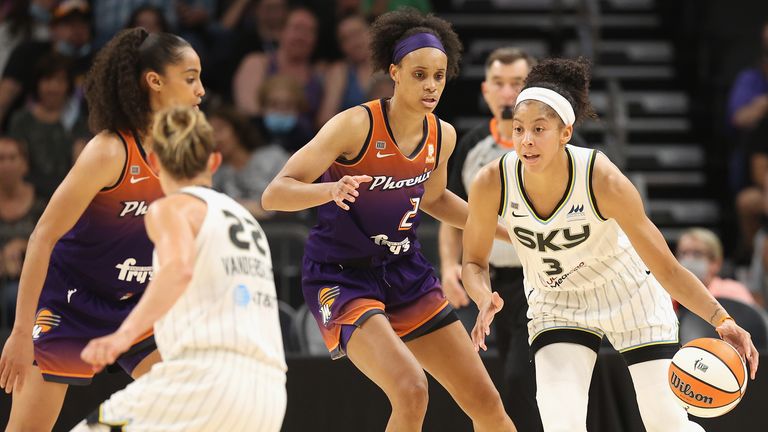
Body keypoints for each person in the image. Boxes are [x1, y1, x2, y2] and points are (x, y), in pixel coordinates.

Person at [462, 57, 759, 432]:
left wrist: (722, 318)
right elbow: (472, 262)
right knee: (561, 421)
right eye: (519, 129)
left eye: (539, 129)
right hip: (558, 303)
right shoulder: (493, 181)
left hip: (629, 295)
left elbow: (667, 267)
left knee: (664, 421)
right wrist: (482, 296)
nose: (526, 140)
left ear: (565, 132)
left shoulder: (602, 179)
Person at [262, 9, 515, 431]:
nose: (431, 85)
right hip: (340, 277)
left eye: (438, 75)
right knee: (411, 389)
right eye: (419, 74)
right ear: (395, 72)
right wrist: (328, 189)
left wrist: (511, 231)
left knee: (488, 403)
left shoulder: (442, 135)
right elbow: (275, 193)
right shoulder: (354, 125)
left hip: (404, 272)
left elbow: (435, 199)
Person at [0, 28, 204, 431]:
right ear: (155, 81)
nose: (201, 91)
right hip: (70, 304)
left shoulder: (180, 148)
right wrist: (21, 332)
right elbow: (43, 237)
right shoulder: (109, 151)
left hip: (135, 306)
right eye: (191, 77)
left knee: (191, 410)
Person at [72, 106, 287, 431]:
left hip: (204, 380)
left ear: (155, 163)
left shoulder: (172, 208)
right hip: (268, 393)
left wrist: (121, 337)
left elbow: (178, 269)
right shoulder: (245, 218)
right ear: (214, 162)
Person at [439, 46, 542, 432]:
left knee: (521, 380)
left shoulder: (550, 145)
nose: (507, 93)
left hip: (538, 278)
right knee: (488, 381)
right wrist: (449, 266)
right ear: (485, 91)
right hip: (483, 277)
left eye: (517, 83)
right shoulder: (470, 146)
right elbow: (449, 215)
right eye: (499, 84)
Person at [8, 52, 90, 198]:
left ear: (68, 85)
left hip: (67, 195)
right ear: (37, 83)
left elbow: (80, 168)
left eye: (59, 81)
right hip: (30, 196)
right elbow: (18, 166)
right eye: (47, 80)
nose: (53, 88)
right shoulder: (20, 120)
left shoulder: (78, 122)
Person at [209, 104, 289, 219]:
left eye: (219, 130)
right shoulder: (213, 173)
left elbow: (298, 200)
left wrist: (264, 209)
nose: (215, 138)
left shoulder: (273, 157)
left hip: (285, 230)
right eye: (209, 133)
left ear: (238, 131)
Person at [0, 136, 47, 325]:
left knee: (14, 295)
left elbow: (57, 241)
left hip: (32, 277)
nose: (6, 164)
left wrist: (25, 247)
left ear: (24, 164)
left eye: (12, 157)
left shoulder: (42, 201)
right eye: (1, 158)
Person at [316, 13, 373, 127]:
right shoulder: (340, 71)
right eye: (346, 39)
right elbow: (325, 119)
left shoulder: (394, 66)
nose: (354, 43)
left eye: (357, 33)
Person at [675, 227, 757, 307]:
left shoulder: (733, 293)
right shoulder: (671, 297)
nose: (688, 259)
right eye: (683, 253)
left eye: (697, 253)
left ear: (716, 262)